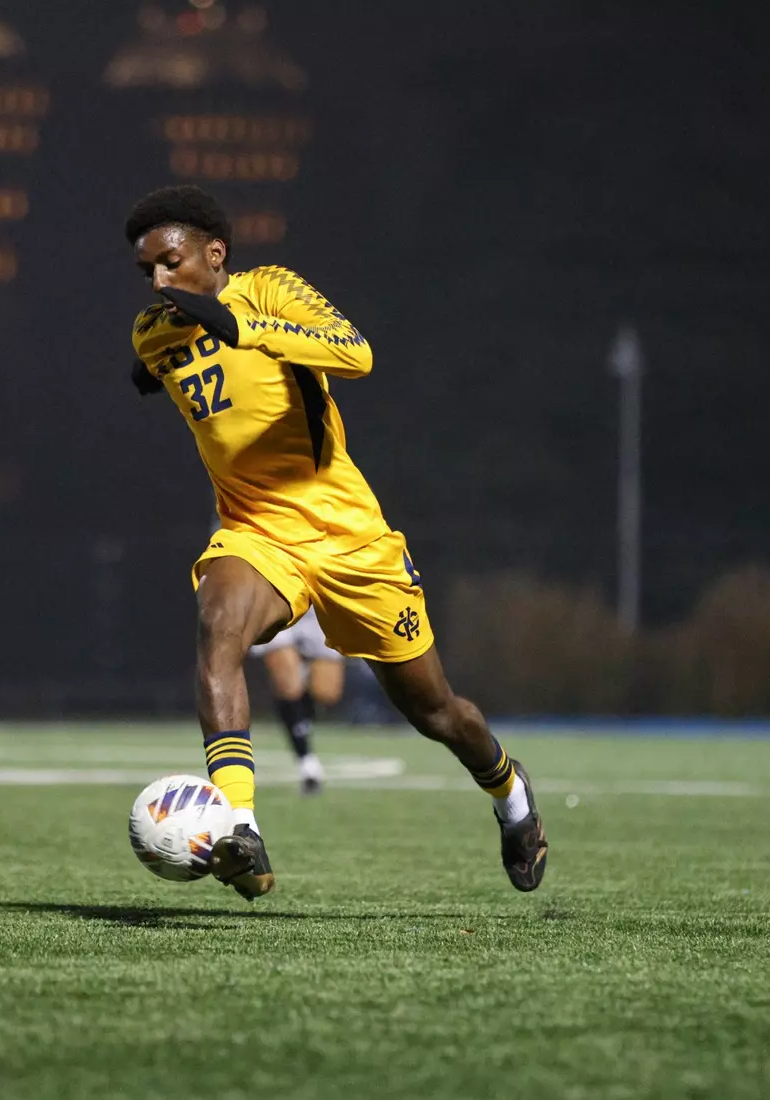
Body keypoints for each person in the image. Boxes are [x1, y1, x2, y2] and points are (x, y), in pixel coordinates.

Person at [126, 185, 547, 897]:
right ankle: (240, 826)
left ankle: (510, 792)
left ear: (214, 253)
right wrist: (159, 349)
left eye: (170, 263)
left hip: (350, 537)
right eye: (148, 273)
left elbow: (356, 355)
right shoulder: (154, 329)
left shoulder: (272, 290)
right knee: (217, 626)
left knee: (434, 711)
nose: (159, 282)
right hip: (258, 532)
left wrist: (238, 326)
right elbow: (147, 368)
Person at [250, 607, 343, 796]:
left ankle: (301, 693)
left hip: (319, 602)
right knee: (287, 684)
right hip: (280, 596)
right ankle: (307, 762)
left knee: (327, 692)